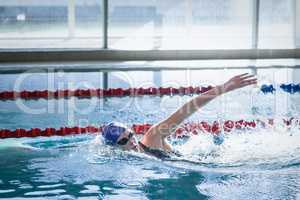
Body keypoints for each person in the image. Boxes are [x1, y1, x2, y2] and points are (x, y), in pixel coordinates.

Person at [102, 73, 257, 159]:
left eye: (130, 135)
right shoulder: (125, 160)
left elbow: (186, 110)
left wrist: (224, 88)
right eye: (123, 140)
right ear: (114, 146)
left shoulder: (152, 137)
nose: (131, 141)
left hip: (206, 159)